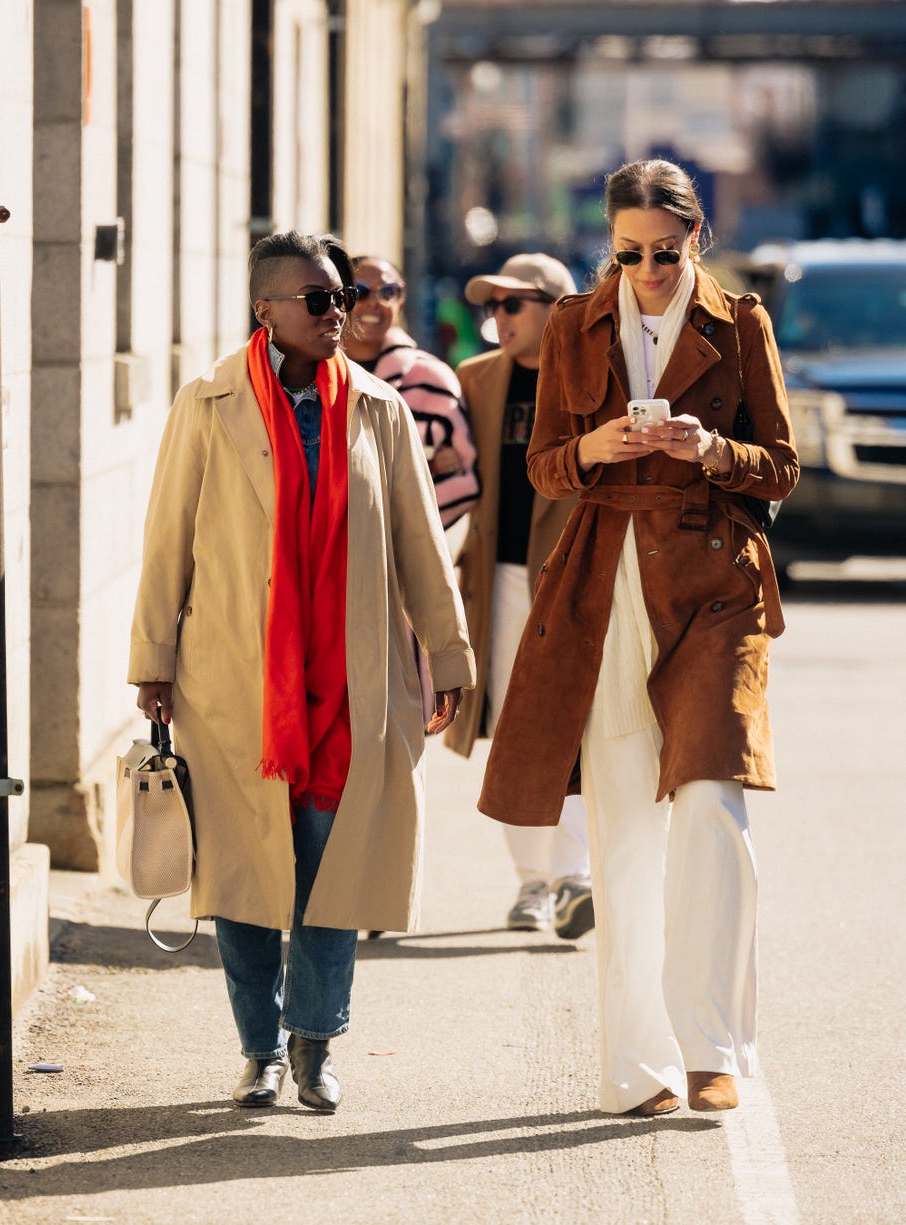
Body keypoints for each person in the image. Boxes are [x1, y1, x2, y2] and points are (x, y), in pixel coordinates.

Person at [478, 160, 799, 1116]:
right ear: (608, 247)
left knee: (711, 807)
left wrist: (708, 450)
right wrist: (596, 447)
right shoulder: (577, 322)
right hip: (608, 574)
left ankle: (714, 1047)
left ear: (694, 240)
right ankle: (641, 1062)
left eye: (665, 251)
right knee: (621, 822)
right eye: (629, 254)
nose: (649, 270)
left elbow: (780, 467)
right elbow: (543, 469)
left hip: (712, 580)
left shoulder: (739, 323)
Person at [128, 231, 475, 1114]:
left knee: (332, 869)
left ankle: (314, 1043)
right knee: (244, 875)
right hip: (233, 682)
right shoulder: (205, 404)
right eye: (319, 300)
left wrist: (449, 655)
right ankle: (258, 1050)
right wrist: (153, 663)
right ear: (266, 311)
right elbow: (168, 541)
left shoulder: (377, 408)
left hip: (352, 684)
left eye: (345, 295)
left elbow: (420, 545)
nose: (341, 313)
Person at [443, 254, 594, 942]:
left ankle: (572, 876)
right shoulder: (474, 379)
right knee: (511, 729)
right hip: (497, 580)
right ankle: (536, 882)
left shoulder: (597, 380)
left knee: (574, 730)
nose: (496, 319)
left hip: (573, 579)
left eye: (513, 305)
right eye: (492, 306)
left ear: (555, 308)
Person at [342, 254, 479, 723]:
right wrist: (415, 467)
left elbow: (464, 477)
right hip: (319, 574)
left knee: (391, 725)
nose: (377, 304)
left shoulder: (429, 379)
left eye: (391, 292)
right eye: (362, 291)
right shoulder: (307, 375)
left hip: (398, 582)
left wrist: (387, 513)